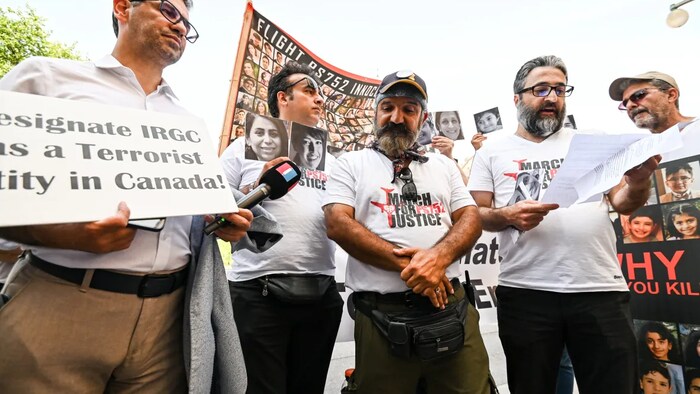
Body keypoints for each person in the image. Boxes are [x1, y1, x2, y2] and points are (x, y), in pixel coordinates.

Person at [0, 1, 257, 392]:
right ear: (123, 7)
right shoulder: (47, 79)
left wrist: (219, 224)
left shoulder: (187, 123)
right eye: (170, 10)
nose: (182, 27)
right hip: (60, 301)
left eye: (188, 23)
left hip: (167, 323)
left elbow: (189, 222)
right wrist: (66, 236)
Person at [468, 55, 659, 394]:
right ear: (517, 99)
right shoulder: (492, 152)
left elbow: (622, 201)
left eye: (559, 89)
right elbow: (476, 214)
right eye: (540, 89)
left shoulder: (591, 139)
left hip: (599, 289)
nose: (552, 97)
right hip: (527, 293)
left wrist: (640, 181)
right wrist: (508, 216)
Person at [324, 70, 491, 393]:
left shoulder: (442, 165)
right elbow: (337, 223)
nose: (396, 117)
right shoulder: (350, 163)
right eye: (387, 107)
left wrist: (438, 259)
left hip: (450, 309)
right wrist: (416, 269)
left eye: (408, 109)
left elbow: (470, 216)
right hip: (381, 317)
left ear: (422, 118)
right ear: (375, 111)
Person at [220, 62, 342, 394]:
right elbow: (210, 205)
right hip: (258, 294)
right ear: (283, 97)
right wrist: (255, 189)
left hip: (322, 294)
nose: (320, 99)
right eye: (310, 90)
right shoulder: (241, 148)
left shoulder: (334, 158)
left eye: (321, 94)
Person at [608, 71, 697, 162]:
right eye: (625, 103)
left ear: (671, 95)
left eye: (639, 95)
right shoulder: (639, 156)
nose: (629, 105)